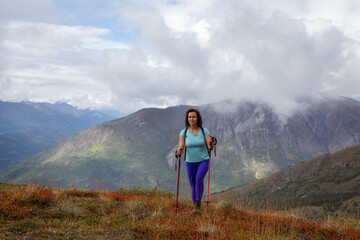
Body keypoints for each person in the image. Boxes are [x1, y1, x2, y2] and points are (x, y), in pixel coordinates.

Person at [177, 108, 213, 213]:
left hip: (203, 160)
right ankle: (196, 208)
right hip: (190, 162)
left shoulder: (204, 131)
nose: (191, 119)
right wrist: (179, 150)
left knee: (198, 179)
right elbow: (181, 146)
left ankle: (197, 204)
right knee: (193, 185)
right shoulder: (184, 133)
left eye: (193, 117)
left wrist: (211, 143)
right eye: (189, 117)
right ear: (187, 119)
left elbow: (210, 147)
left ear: (197, 118)